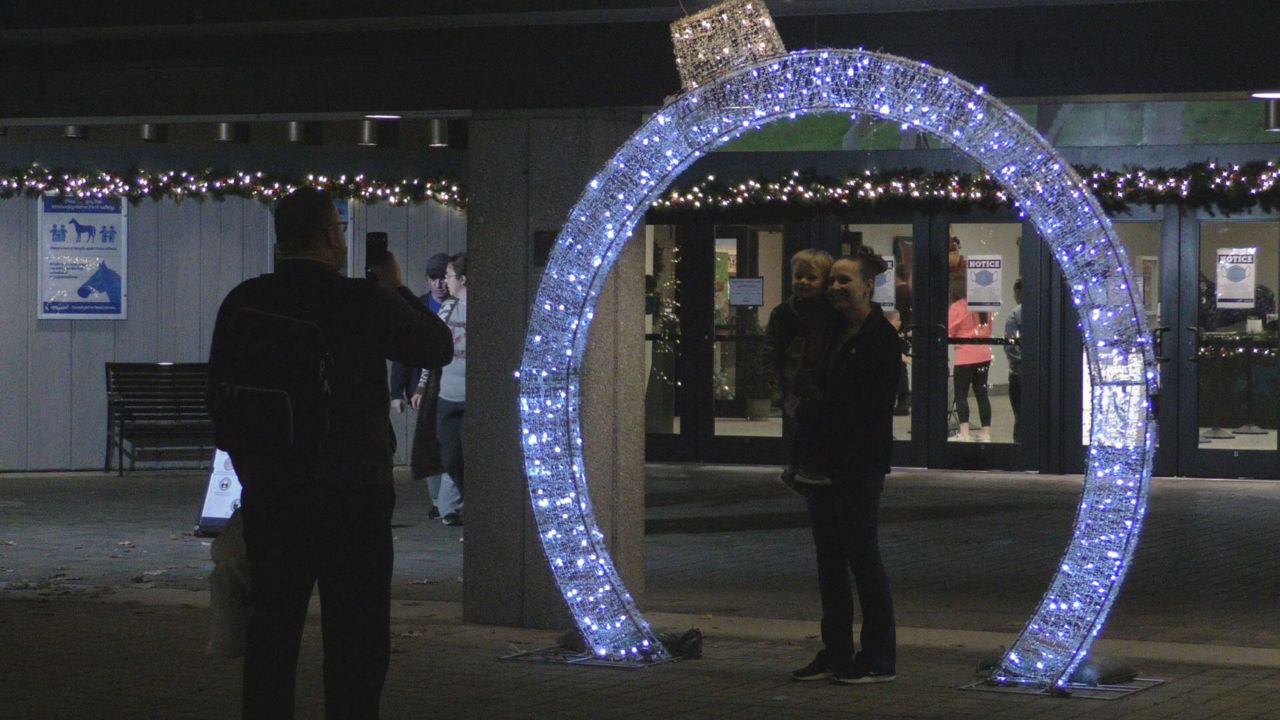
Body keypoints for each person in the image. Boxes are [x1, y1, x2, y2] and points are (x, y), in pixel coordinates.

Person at [207, 187, 453, 720]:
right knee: (357, 639)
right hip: (353, 496)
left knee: (272, 635)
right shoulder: (359, 300)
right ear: (330, 237)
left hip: (274, 495)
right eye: (340, 231)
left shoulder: (244, 301)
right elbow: (437, 347)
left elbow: (220, 401)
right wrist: (398, 288)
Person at [791, 248, 900, 685]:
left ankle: (878, 657)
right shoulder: (833, 332)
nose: (835, 288)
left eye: (844, 281)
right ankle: (836, 651)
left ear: (867, 286)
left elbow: (865, 407)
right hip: (823, 463)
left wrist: (811, 411)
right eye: (831, 280)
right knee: (830, 560)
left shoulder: (878, 338)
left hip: (858, 465)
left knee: (862, 556)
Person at [761, 248, 840, 487]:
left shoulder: (834, 311)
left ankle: (802, 465)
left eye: (811, 277)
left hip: (825, 377)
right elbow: (771, 346)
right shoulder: (784, 313)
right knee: (806, 420)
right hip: (796, 378)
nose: (803, 282)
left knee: (817, 423)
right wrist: (771, 377)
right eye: (798, 277)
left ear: (825, 281)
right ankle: (802, 467)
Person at [395, 252, 453, 520]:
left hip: (446, 385)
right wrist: (397, 391)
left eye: (443, 278)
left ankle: (446, 500)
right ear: (427, 280)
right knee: (429, 441)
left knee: (446, 442)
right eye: (434, 278)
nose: (439, 284)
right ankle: (436, 499)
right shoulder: (418, 306)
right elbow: (402, 353)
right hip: (423, 387)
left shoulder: (456, 306)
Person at [414, 252, 467, 526]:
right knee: (449, 454)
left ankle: (457, 505)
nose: (445, 282)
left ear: (462, 279)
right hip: (448, 393)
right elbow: (432, 352)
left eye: (448, 276)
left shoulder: (479, 311)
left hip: (471, 394)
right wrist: (422, 386)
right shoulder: (446, 309)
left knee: (468, 452)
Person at [948, 288, 994, 443]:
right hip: (984, 355)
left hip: (965, 357)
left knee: (961, 395)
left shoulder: (958, 306)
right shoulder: (984, 306)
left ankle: (964, 433)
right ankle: (986, 433)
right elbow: (990, 329)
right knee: (982, 395)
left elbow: (950, 331)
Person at [1004, 278, 1024, 444]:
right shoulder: (1044, 310)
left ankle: (1020, 448)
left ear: (1018, 292)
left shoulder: (1015, 314)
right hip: (1039, 372)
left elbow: (1010, 346)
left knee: (1020, 416)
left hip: (1018, 375)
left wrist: (1020, 364)